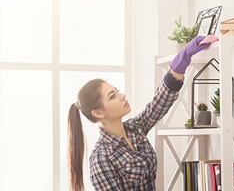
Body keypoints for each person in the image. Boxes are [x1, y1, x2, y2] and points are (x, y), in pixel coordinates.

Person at [67, 35, 216, 191]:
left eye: (116, 91)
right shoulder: (101, 158)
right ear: (98, 113)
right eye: (112, 96)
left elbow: (159, 103)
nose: (122, 95)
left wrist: (185, 55)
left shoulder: (135, 128)